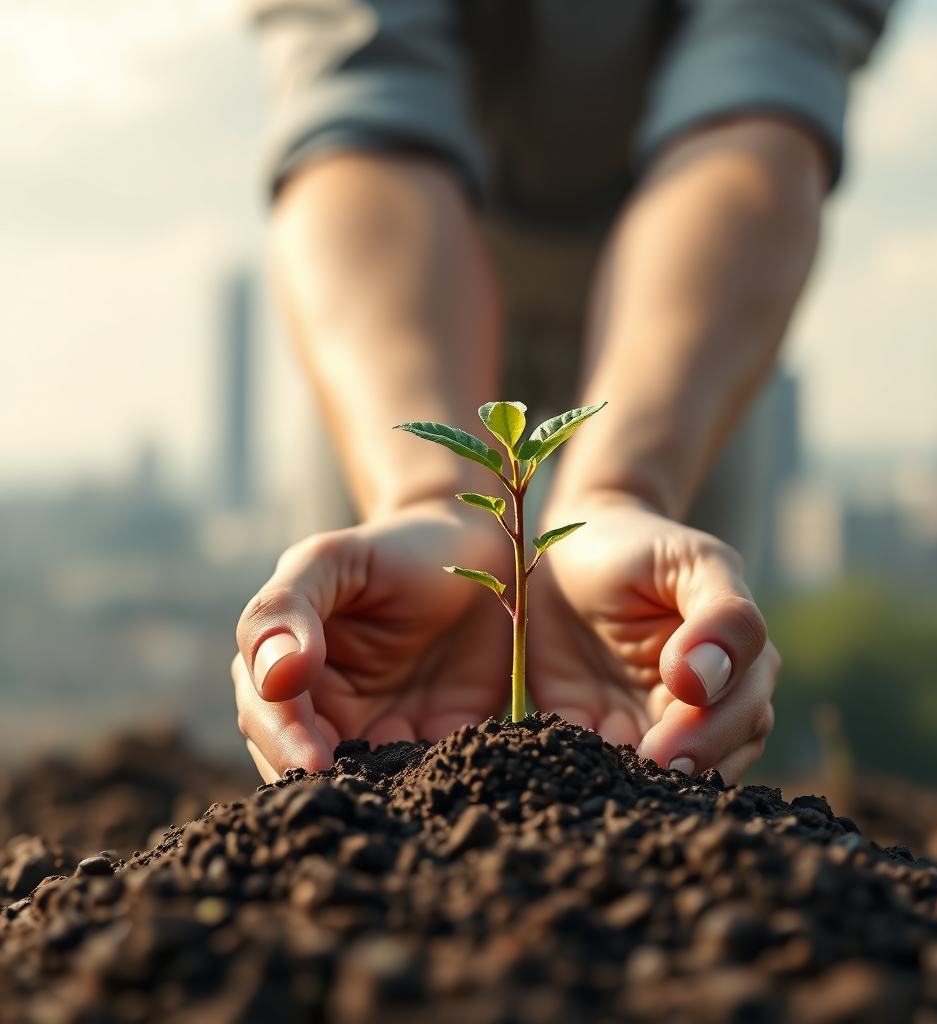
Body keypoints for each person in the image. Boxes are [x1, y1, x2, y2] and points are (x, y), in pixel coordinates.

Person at [232, 0, 893, 785]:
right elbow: (362, 104)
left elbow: (759, 87)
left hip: (689, 307)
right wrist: (427, 494)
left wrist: (624, 488)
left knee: (679, 725)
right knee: (343, 729)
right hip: (402, 298)